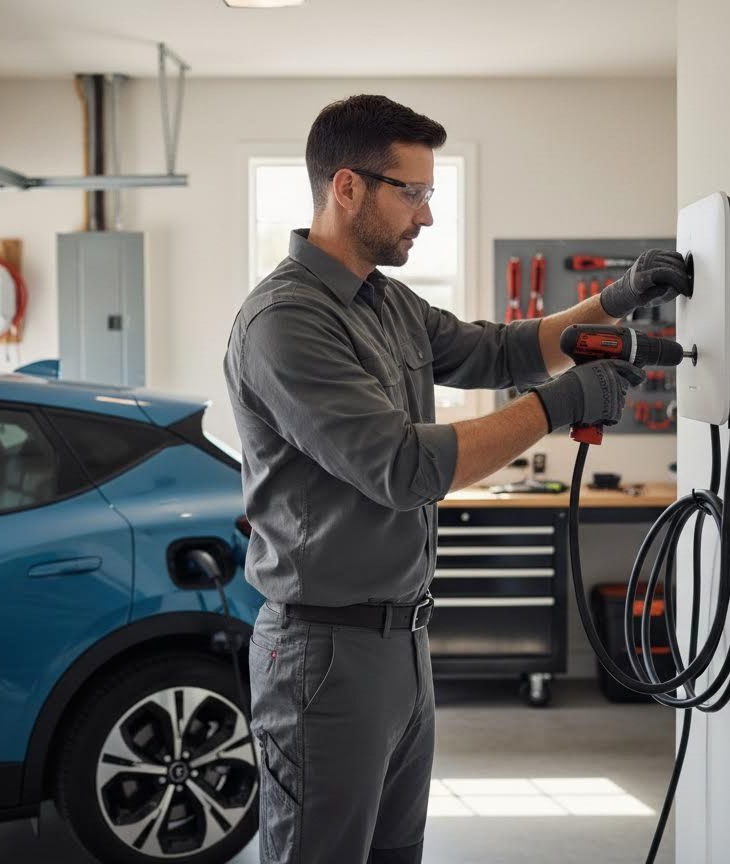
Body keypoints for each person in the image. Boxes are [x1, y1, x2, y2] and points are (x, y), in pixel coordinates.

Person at [223, 94, 689, 864]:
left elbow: (497, 351)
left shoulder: (385, 300)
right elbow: (403, 467)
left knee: (395, 852)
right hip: (324, 654)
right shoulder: (286, 321)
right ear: (348, 187)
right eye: (414, 192)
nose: (427, 216)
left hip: (403, 645)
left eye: (430, 194)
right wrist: (560, 404)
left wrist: (617, 297)